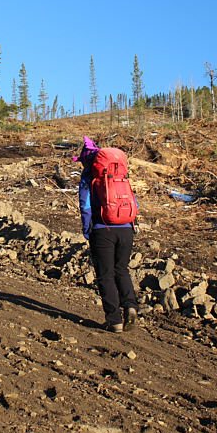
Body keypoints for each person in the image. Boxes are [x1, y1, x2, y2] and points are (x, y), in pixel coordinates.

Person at [75, 136, 139, 333]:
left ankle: (114, 320)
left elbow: (85, 207)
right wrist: (131, 224)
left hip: (103, 230)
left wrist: (88, 230)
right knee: (122, 269)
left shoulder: (89, 178)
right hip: (126, 227)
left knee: (105, 275)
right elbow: (134, 203)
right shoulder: (121, 176)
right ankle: (130, 306)